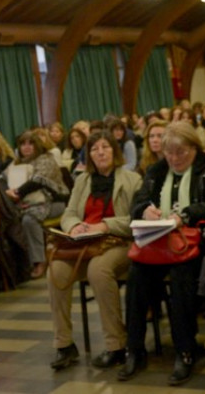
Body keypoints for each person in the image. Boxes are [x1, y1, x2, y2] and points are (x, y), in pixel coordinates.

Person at [120, 122, 205, 387]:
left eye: (182, 152)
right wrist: (145, 211)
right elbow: (139, 201)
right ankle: (134, 348)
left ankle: (185, 351)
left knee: (182, 279)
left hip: (193, 241)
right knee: (136, 276)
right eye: (170, 153)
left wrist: (185, 215)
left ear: (194, 148)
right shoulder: (156, 170)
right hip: (159, 240)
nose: (175, 159)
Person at [48, 132, 142, 371]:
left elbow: (135, 218)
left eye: (105, 147)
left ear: (115, 151)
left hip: (118, 241)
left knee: (98, 270)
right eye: (94, 149)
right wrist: (74, 226)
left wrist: (105, 225)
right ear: (88, 155)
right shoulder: (82, 180)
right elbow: (68, 213)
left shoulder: (132, 179)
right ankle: (64, 344)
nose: (100, 152)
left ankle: (116, 345)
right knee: (55, 271)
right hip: (85, 243)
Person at [8, 129, 69, 279]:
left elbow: (37, 180)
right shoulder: (17, 163)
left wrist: (17, 192)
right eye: (23, 144)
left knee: (29, 219)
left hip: (54, 202)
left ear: (38, 146)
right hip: (28, 203)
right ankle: (21, 264)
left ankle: (39, 261)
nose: (26, 147)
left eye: (30, 144)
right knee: (10, 219)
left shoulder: (46, 159)